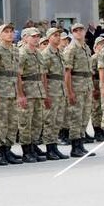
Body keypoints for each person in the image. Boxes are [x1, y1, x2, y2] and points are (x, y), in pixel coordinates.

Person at [0, 23, 23, 165]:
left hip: (12, 91)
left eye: (11, 31)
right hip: (1, 91)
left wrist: (20, 93)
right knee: (1, 122)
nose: (10, 34)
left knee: (12, 122)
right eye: (6, 31)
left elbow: (17, 74)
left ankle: (8, 149)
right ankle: (1, 152)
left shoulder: (15, 50)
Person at [63, 23, 95, 157]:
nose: (78, 32)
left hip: (86, 85)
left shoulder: (86, 48)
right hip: (76, 86)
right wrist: (69, 92)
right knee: (76, 117)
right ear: (72, 33)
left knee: (84, 116)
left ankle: (81, 143)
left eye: (81, 30)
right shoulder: (71, 49)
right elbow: (67, 72)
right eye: (75, 31)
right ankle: (75, 146)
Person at [17, 27, 48, 163]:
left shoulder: (38, 53)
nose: (36, 39)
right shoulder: (22, 54)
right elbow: (18, 75)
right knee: (26, 122)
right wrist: (20, 94)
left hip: (38, 91)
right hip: (27, 91)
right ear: (25, 38)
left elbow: (42, 75)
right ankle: (26, 150)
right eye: (33, 36)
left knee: (37, 122)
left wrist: (45, 93)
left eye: (37, 36)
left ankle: (33, 146)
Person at [41, 27, 70, 159]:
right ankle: (49, 148)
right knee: (50, 120)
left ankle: (54, 147)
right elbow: (44, 76)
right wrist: (45, 94)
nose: (58, 38)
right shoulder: (46, 54)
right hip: (51, 90)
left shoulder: (59, 52)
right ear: (49, 38)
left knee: (57, 120)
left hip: (60, 90)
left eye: (59, 35)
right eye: (55, 35)